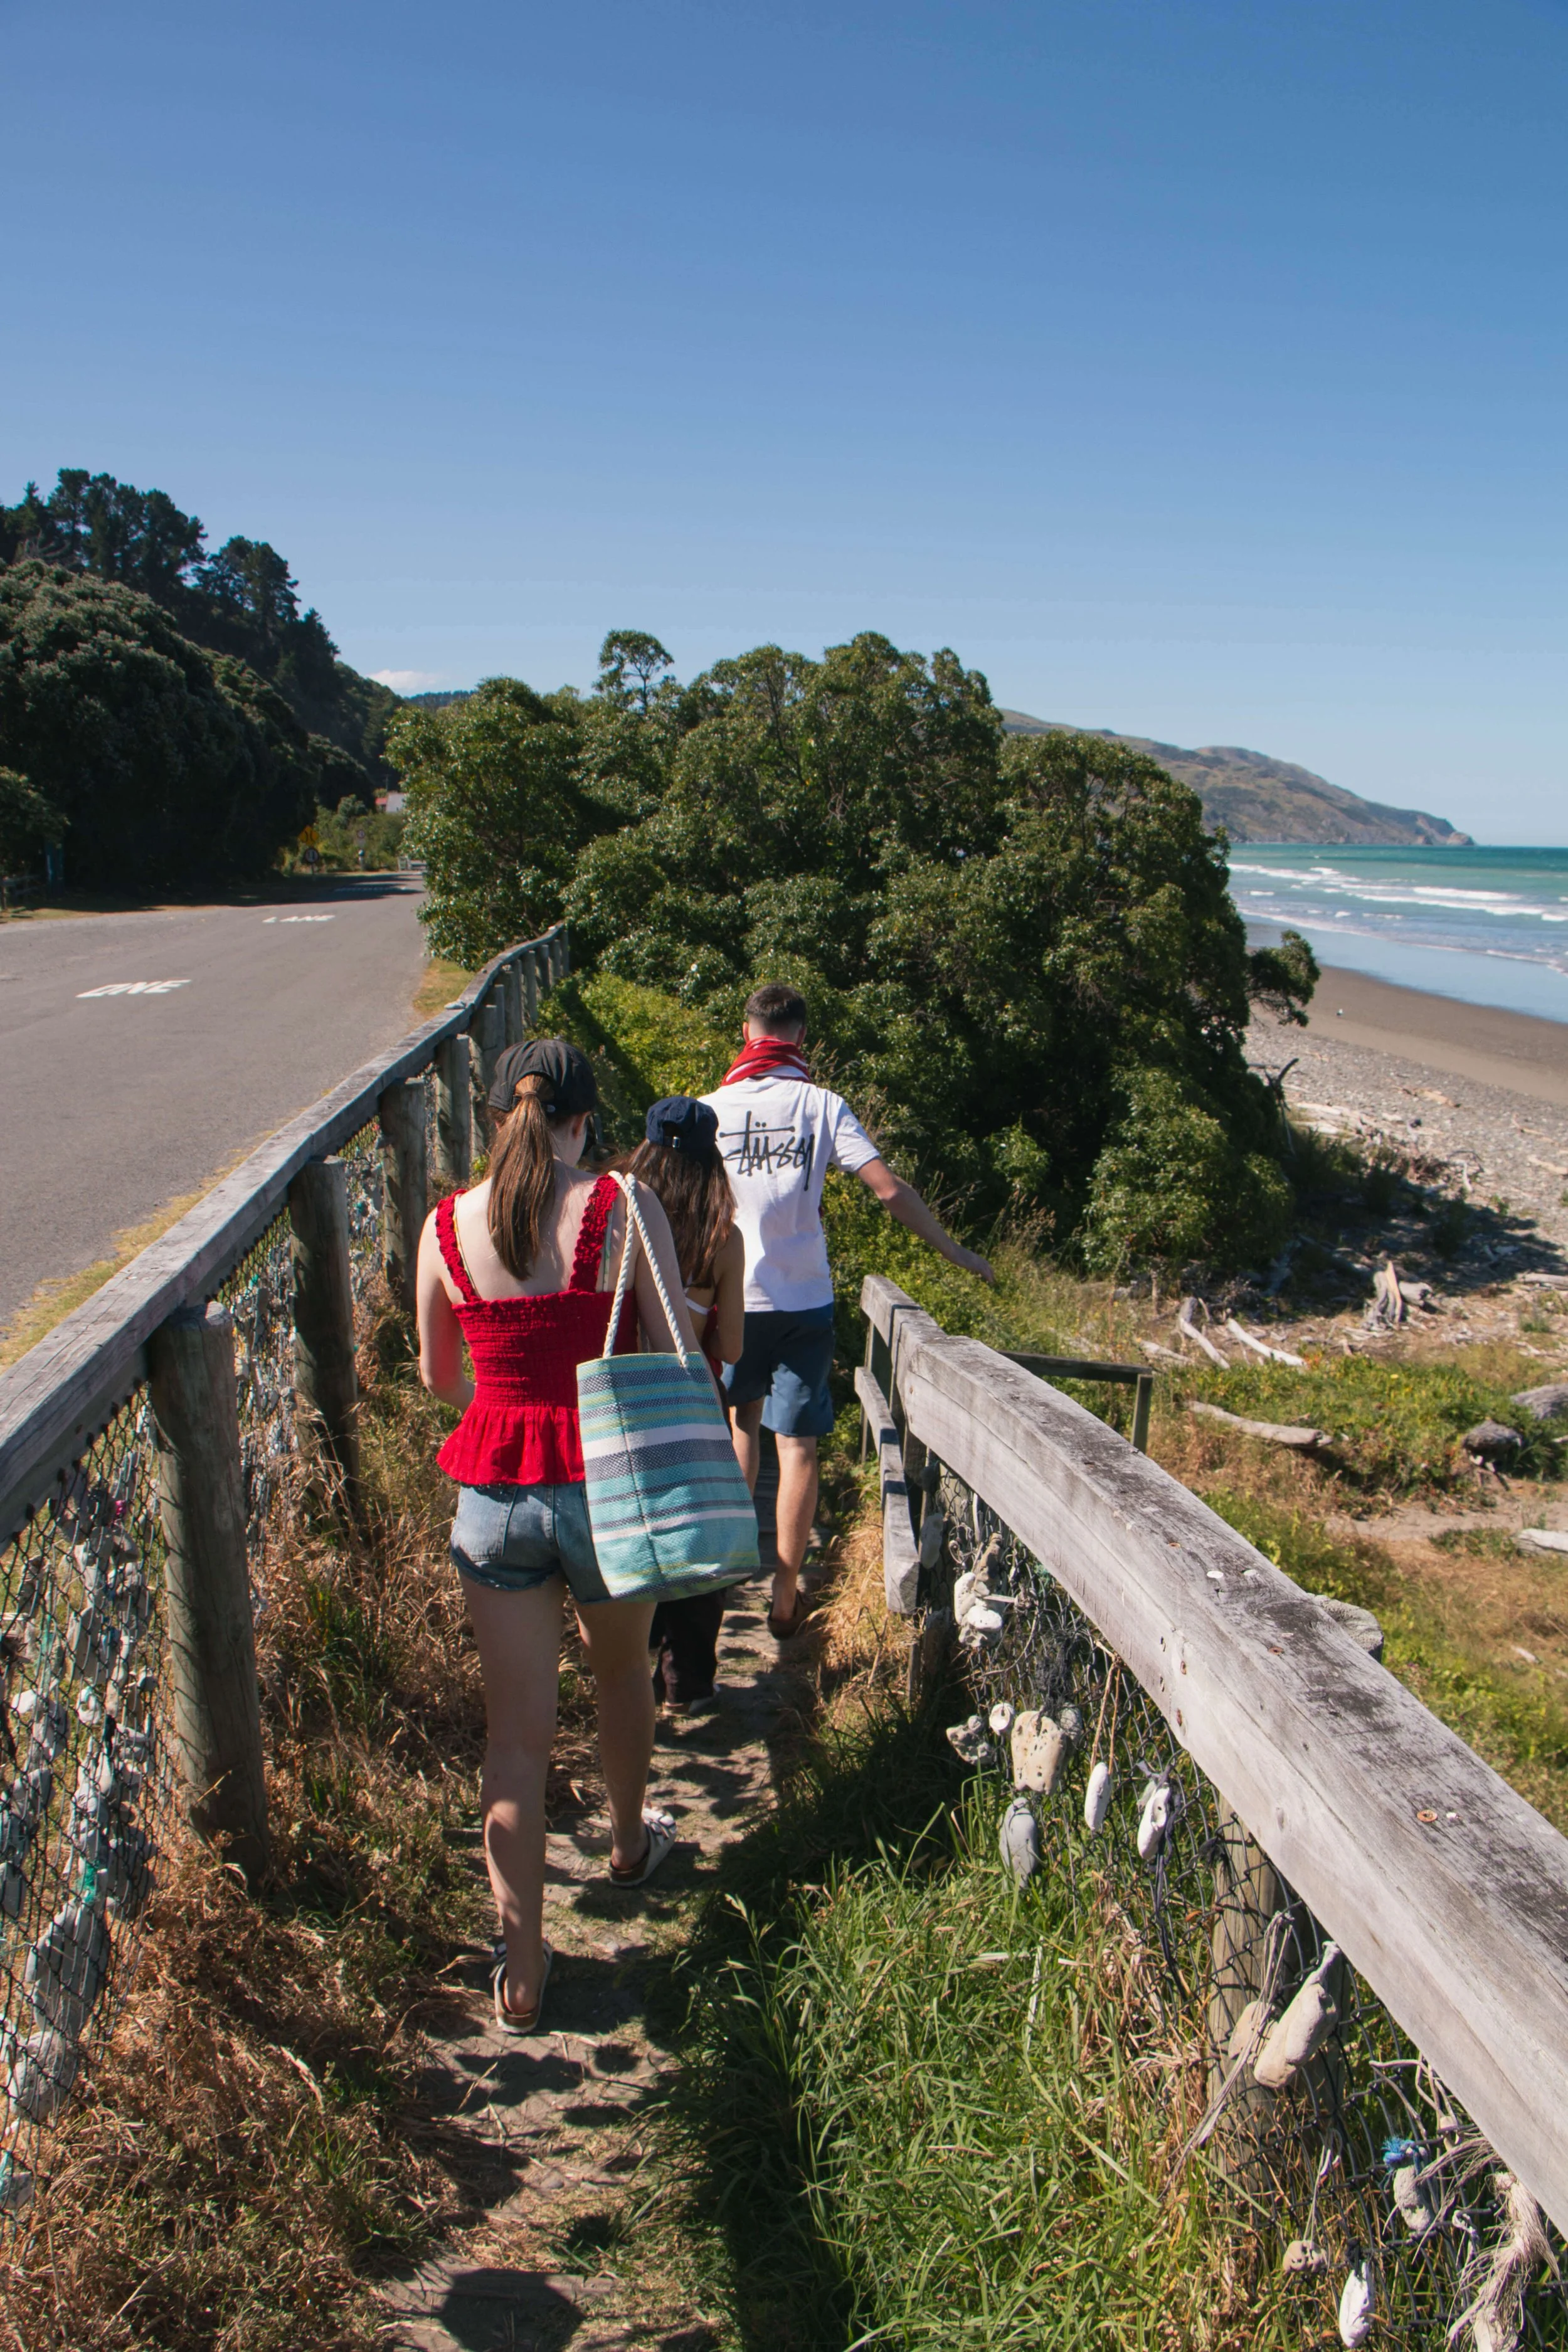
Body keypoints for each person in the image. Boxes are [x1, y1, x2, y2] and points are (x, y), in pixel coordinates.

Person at [416, 1037, 699, 2039]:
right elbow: (673, 1352)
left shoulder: (446, 1223)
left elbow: (436, 1373)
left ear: (499, 1116)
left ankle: (523, 1971)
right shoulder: (625, 1206)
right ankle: (628, 1847)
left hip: (492, 1493)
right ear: (586, 1120)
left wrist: (506, 1401)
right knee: (623, 1676)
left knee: (513, 1738)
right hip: (607, 1488)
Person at [702, 983, 995, 1640]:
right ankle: (784, 1596)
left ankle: (719, 1585)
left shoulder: (709, 1108)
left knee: (740, 1427)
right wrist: (953, 1250)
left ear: (748, 1032)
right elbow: (887, 1188)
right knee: (798, 1445)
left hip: (733, 1299)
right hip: (804, 1298)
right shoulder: (821, 1105)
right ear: (800, 1037)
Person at [623, 1094, 746, 1715]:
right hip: (692, 1398)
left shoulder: (615, 1221)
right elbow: (730, 1345)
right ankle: (689, 1681)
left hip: (623, 1398)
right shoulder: (723, 1239)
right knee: (697, 1545)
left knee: (631, 1532)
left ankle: (626, 1668)